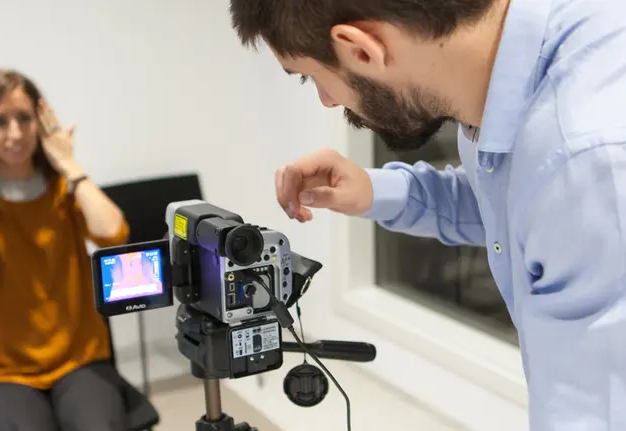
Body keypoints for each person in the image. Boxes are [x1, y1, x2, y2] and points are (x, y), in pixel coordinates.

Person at [228, 0, 626, 430]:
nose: (326, 100)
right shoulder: (531, 59)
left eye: (312, 76)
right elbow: (518, 207)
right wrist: (373, 191)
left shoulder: (588, 161)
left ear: (361, 49)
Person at [0, 68, 131, 431]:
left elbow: (114, 234)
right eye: (0, 121)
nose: (15, 132)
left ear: (40, 122)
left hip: (77, 357)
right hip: (1, 369)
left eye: (24, 118)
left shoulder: (63, 186)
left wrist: (67, 163)